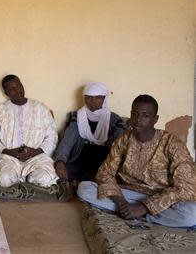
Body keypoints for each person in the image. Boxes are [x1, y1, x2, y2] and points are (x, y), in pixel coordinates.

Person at [77, 95, 196, 228]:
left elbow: (187, 188)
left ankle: (142, 215)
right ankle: (129, 211)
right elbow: (105, 173)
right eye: (135, 114)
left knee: (192, 213)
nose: (138, 120)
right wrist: (122, 203)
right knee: (84, 188)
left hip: (161, 198)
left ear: (155, 119)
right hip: (129, 194)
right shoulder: (123, 140)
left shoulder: (172, 144)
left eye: (145, 115)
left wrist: (143, 207)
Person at [0, 74, 58, 188]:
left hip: (37, 158)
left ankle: (27, 179)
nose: (17, 90)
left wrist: (35, 151)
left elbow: (52, 136)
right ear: (6, 93)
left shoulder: (40, 108)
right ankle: (24, 181)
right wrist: (11, 152)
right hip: (9, 159)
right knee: (4, 179)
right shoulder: (0, 111)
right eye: (12, 89)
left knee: (45, 178)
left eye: (19, 85)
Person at [54, 82, 124, 188]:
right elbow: (66, 142)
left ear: (104, 99)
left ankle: (81, 184)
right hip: (79, 161)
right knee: (54, 174)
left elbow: (120, 149)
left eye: (98, 98)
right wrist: (60, 161)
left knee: (108, 178)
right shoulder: (77, 117)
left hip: (103, 163)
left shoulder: (114, 121)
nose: (93, 102)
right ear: (84, 98)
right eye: (89, 97)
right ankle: (82, 184)